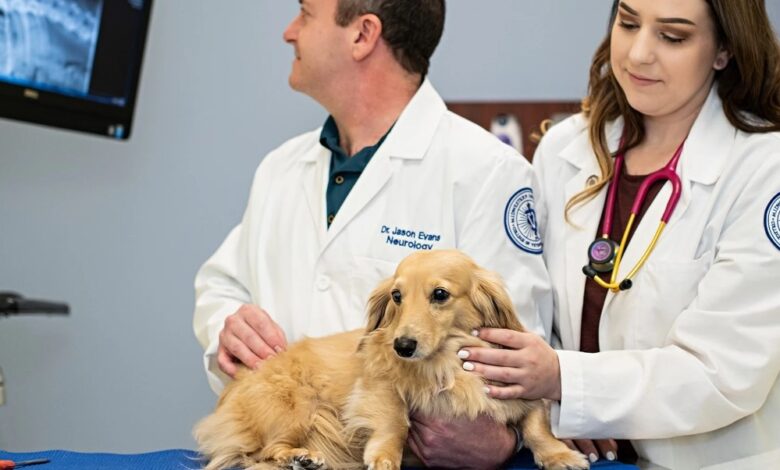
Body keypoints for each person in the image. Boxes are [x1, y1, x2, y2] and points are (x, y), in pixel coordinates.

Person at [193, 0, 552, 467]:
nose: (288, 32)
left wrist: (506, 442)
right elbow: (222, 284)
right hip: (282, 439)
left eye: (304, 14)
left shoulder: (488, 170)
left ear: (362, 35)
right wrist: (228, 325)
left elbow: (520, 346)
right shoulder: (280, 168)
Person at [456, 0, 780, 468]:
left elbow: (722, 372)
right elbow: (526, 309)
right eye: (628, 24)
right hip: (574, 455)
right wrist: (554, 409)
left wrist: (565, 382)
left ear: (724, 50)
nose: (637, 54)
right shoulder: (566, 148)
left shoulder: (763, 169)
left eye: (673, 37)